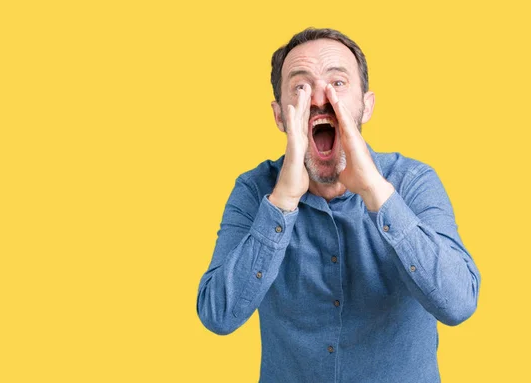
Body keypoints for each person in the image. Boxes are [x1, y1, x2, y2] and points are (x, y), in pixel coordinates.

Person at [196, 27, 481, 383]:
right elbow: (218, 314)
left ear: (367, 104)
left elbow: (457, 304)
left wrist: (377, 193)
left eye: (338, 83)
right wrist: (281, 202)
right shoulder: (254, 191)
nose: (319, 97)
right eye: (300, 86)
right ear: (280, 115)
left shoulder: (414, 181)